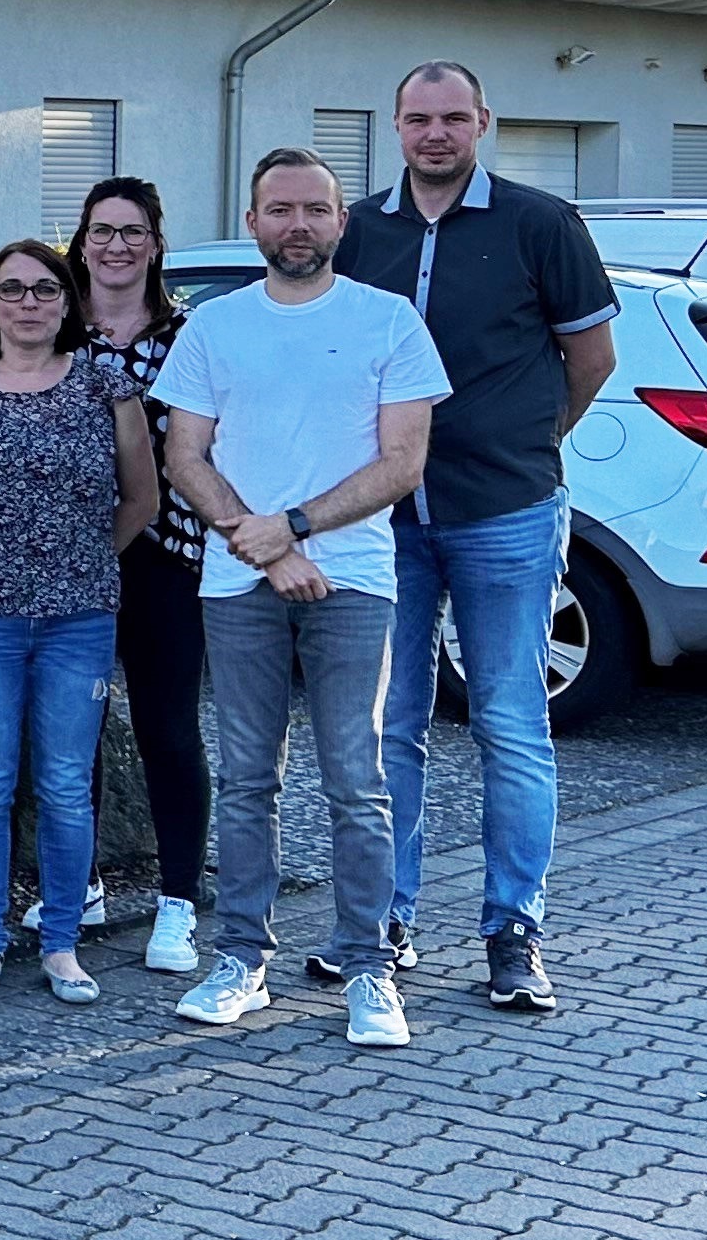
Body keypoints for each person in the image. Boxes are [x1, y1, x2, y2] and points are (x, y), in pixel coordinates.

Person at [332, 61, 620, 1017]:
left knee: (509, 722)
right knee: (388, 726)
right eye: (419, 118)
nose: (436, 134)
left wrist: (527, 441)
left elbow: (591, 359)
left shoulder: (542, 224)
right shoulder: (358, 231)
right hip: (386, 520)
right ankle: (387, 921)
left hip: (505, 511)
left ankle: (514, 932)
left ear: (483, 122)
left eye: (453, 118)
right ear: (396, 125)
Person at [157, 148, 450, 1049]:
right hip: (238, 583)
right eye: (280, 210)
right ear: (253, 223)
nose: (298, 225)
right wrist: (263, 544)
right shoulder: (215, 326)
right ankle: (240, 960)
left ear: (340, 222)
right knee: (248, 778)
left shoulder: (388, 321)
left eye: (315, 209)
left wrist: (289, 528)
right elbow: (183, 456)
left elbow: (403, 463)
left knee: (357, 781)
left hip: (353, 582)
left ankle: (368, 967)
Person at [0, 239, 156, 1002]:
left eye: (45, 289)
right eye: (11, 289)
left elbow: (141, 497)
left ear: (68, 300)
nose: (28, 303)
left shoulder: (105, 385)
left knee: (66, 785)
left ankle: (62, 947)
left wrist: (85, 559)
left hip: (79, 620)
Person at [69, 174, 214, 976]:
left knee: (167, 729)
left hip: (167, 557)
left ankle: (178, 903)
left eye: (132, 232)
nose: (116, 245)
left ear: (156, 245)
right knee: (72, 727)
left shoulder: (190, 337)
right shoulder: (51, 330)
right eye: (102, 230)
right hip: (66, 562)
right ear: (82, 241)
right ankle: (79, 883)